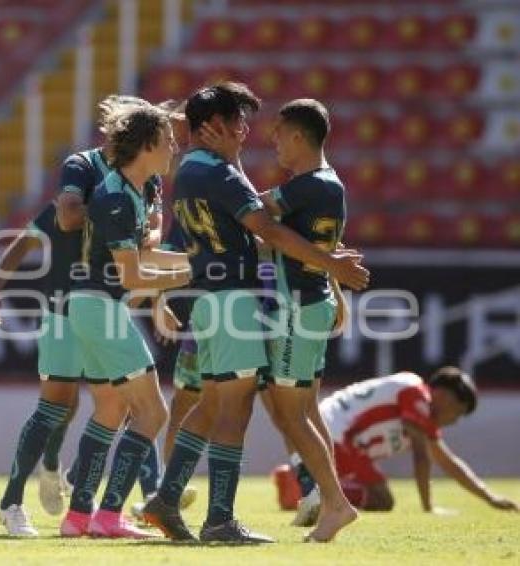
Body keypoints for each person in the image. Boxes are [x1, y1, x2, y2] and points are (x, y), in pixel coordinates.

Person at [142, 81, 369, 543]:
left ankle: (166, 499)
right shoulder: (220, 174)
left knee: (210, 403)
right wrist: (332, 267)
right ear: (212, 126)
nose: (246, 130)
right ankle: (220, 519)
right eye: (238, 120)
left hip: (211, 298)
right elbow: (268, 230)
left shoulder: (196, 169)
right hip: (233, 299)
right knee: (235, 406)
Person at [0, 95, 171, 537]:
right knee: (59, 406)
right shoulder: (84, 168)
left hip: (107, 299)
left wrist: (149, 257)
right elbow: (62, 220)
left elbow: (152, 234)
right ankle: (15, 499)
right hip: (67, 305)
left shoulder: (145, 180)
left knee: (117, 404)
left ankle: (109, 502)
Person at [59, 101, 192, 539]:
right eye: (169, 139)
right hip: (100, 308)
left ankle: (79, 517)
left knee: (112, 409)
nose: (175, 145)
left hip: (94, 307)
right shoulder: (116, 196)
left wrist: (196, 259)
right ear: (149, 143)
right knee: (153, 413)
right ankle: (109, 516)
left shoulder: (136, 189)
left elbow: (143, 256)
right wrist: (199, 270)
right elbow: (132, 273)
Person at [255, 98, 358, 542]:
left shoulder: (307, 186)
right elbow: (299, 246)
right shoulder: (330, 184)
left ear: (298, 136)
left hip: (297, 307)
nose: (273, 142)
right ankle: (327, 498)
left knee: (291, 414)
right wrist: (334, 281)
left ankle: (335, 502)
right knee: (306, 410)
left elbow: (255, 217)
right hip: (310, 301)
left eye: (278, 134)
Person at [274, 367, 519, 519]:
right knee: (382, 499)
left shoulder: (414, 397)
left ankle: (303, 482)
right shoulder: (416, 394)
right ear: (442, 395)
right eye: (457, 411)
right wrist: (428, 507)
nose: (454, 420)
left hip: (334, 430)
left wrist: (489, 497)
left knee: (375, 494)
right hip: (339, 433)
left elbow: (447, 461)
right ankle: (300, 486)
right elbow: (422, 456)